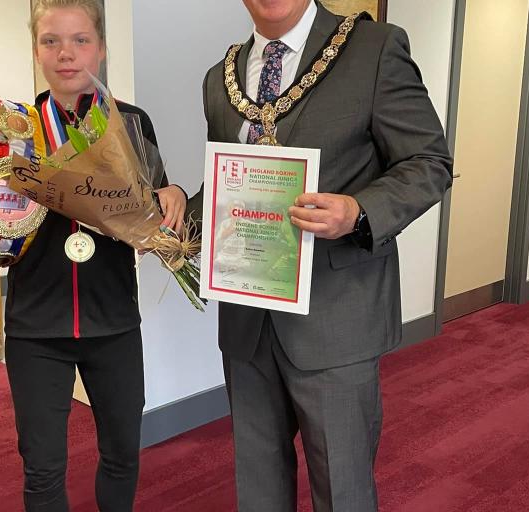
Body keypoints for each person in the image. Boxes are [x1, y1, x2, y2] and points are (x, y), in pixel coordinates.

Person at [187, 1, 453, 510]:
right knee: (258, 486)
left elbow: (428, 162)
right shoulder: (218, 79)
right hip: (247, 318)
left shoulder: (373, 50)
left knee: (343, 491)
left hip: (336, 319)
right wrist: (182, 208)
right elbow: (232, 186)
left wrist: (358, 210)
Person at [0, 1, 186, 510]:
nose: (66, 54)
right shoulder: (8, 131)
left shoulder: (130, 122)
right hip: (37, 326)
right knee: (42, 470)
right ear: (36, 50)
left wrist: (176, 198)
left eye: (81, 40)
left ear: (101, 49)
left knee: (124, 453)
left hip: (114, 322)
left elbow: (153, 211)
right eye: (51, 41)